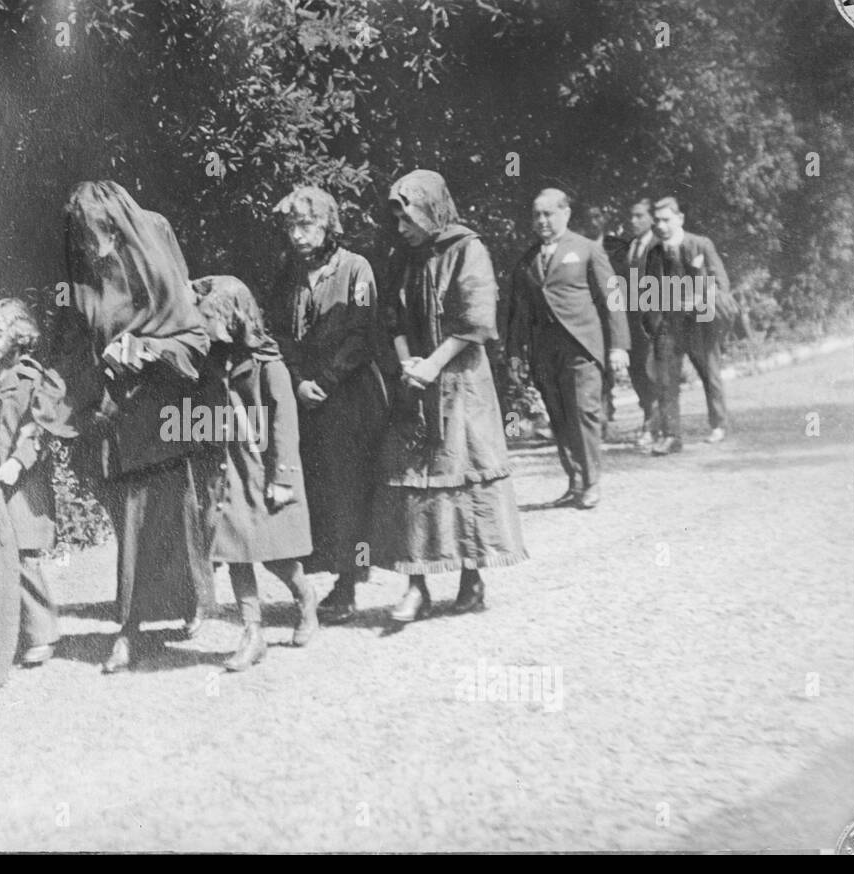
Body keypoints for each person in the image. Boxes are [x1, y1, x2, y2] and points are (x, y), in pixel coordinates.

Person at [58, 180, 215, 674]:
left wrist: (145, 350)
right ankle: (137, 620)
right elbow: (76, 339)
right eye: (81, 237)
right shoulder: (87, 278)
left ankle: (148, 619)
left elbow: (192, 334)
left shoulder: (153, 250)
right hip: (112, 410)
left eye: (93, 235)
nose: (87, 247)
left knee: (172, 511)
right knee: (128, 518)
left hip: (161, 402)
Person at [373, 171, 527, 621]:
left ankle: (471, 579)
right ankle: (416, 586)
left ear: (431, 211)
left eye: (408, 219)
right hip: (414, 383)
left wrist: (432, 365)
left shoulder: (468, 249)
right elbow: (391, 318)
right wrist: (406, 361)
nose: (400, 229)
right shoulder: (401, 256)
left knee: (463, 474)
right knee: (411, 482)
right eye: (397, 220)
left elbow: (476, 320)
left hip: (459, 382)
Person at [267, 185, 387, 623]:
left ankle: (349, 583)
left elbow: (363, 331)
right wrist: (298, 381)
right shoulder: (288, 271)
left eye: (306, 225)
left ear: (327, 224)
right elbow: (277, 333)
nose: (297, 235)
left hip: (350, 394)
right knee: (316, 487)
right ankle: (318, 581)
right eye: (291, 226)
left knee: (350, 487)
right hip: (306, 397)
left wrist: (327, 379)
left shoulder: (356, 269)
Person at [190, 275, 319, 671]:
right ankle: (253, 632)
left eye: (213, 321)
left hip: (262, 471)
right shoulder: (214, 360)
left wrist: (283, 479)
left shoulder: (269, 365)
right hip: (229, 468)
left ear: (235, 319)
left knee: (274, 556)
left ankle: (305, 597)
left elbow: (284, 425)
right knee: (234, 550)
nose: (207, 329)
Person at [506, 188, 629, 510]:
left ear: (566, 214)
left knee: (584, 413)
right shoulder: (529, 258)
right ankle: (575, 481)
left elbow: (613, 298)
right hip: (544, 352)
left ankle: (591, 483)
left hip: (582, 347)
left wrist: (619, 347)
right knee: (559, 416)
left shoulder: (587, 249)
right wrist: (516, 353)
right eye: (536, 215)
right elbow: (519, 311)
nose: (542, 221)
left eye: (548, 214)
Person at [0, 298, 73, 668]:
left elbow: (38, 432)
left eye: (0, 332)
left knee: (25, 559)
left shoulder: (33, 379)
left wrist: (17, 462)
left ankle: (43, 633)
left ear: (19, 336)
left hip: (23, 486)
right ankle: (7, 634)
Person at [641, 196, 731, 454]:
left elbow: (720, 280)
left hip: (700, 321)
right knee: (667, 380)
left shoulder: (700, 244)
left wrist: (704, 298)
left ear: (679, 219)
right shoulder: (655, 252)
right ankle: (672, 436)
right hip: (670, 323)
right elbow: (648, 292)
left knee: (709, 372)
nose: (661, 226)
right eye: (656, 221)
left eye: (666, 220)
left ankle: (719, 424)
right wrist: (654, 323)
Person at [582, 205, 630, 437]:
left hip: (619, 313)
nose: (594, 221)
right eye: (589, 217)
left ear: (605, 218)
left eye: (598, 215)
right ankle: (601, 416)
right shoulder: (578, 248)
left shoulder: (619, 247)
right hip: (592, 318)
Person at [624, 198, 660, 447]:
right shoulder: (630, 247)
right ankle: (649, 415)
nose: (634, 221)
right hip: (632, 320)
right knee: (636, 371)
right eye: (632, 216)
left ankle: (652, 423)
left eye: (639, 216)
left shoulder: (658, 246)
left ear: (652, 219)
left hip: (653, 321)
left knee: (651, 371)